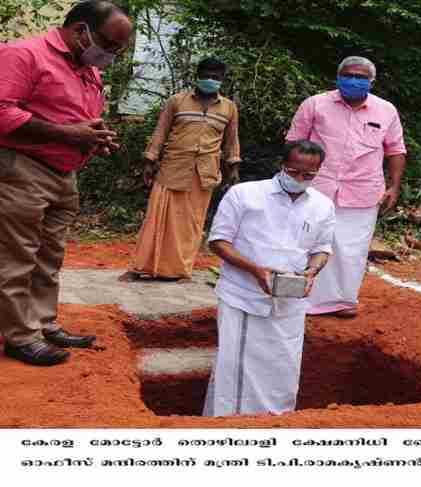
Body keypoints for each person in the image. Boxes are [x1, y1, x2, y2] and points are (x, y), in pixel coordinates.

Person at [0, 0, 131, 366]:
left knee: (49, 256)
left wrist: (93, 137)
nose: (111, 55)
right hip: (22, 169)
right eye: (108, 45)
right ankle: (20, 336)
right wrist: (68, 134)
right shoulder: (24, 54)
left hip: (63, 173)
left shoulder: (87, 67)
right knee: (16, 256)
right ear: (80, 31)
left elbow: (80, 119)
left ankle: (43, 323)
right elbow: (2, 111)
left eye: (118, 49)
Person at [203, 140, 335, 416]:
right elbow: (218, 241)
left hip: (289, 303)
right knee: (234, 371)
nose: (300, 179)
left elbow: (322, 248)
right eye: (294, 171)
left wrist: (312, 271)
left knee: (282, 370)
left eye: (309, 175)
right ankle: (229, 428)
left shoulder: (323, 205)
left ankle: (274, 426)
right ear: (282, 165)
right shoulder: (244, 194)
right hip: (243, 298)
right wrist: (255, 270)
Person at [286, 56, 407, 318]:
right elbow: (293, 143)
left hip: (362, 189)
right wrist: (290, 180)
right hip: (314, 187)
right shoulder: (315, 104)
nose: (354, 80)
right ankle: (299, 298)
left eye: (361, 77)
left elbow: (396, 150)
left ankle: (342, 301)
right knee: (305, 241)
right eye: (349, 75)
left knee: (351, 249)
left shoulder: (386, 110)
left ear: (372, 82)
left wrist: (394, 187)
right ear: (338, 76)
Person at [119, 57, 241, 282]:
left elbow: (232, 141)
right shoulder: (177, 101)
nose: (210, 80)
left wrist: (233, 167)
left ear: (222, 80)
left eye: (216, 77)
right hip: (172, 167)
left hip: (205, 172)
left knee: (191, 224)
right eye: (206, 75)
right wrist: (149, 160)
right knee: (156, 217)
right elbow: (160, 132)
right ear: (197, 75)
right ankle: (139, 267)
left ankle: (179, 271)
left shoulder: (229, 108)